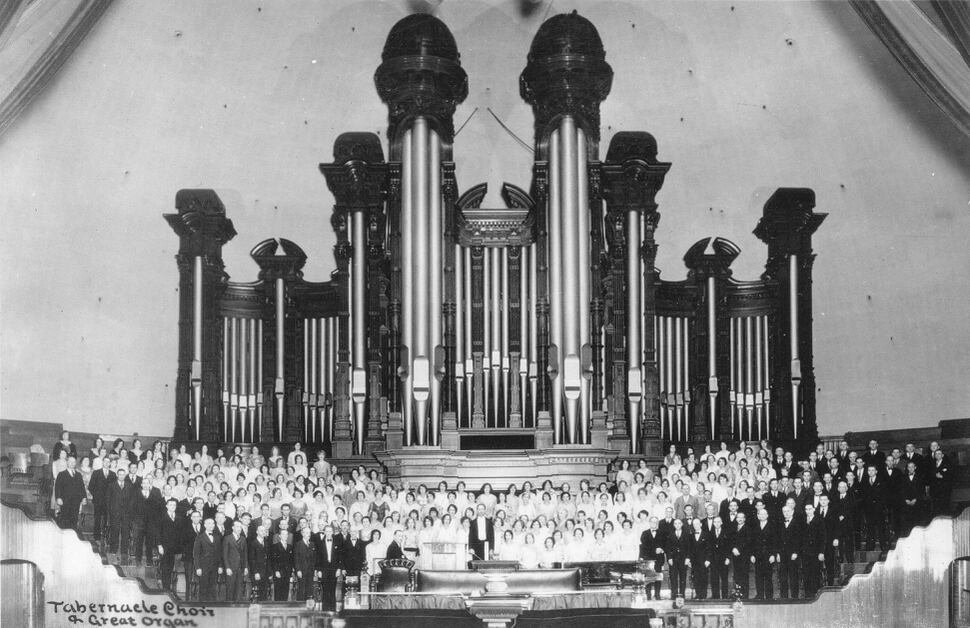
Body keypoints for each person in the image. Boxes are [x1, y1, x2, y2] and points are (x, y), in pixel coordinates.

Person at [53, 454, 86, 531]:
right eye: (70, 462)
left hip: (76, 501)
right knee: (64, 519)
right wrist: (58, 498)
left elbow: (82, 487)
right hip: (65, 501)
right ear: (67, 462)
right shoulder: (61, 474)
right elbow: (57, 487)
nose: (72, 463)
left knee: (74, 520)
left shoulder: (78, 475)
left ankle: (73, 535)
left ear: (75, 463)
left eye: (74, 462)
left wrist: (84, 497)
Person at [193, 517, 222, 601]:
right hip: (203, 567)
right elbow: (196, 554)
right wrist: (198, 567)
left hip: (214, 566)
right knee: (203, 587)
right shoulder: (200, 537)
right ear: (205, 525)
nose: (211, 525)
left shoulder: (217, 537)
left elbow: (219, 553)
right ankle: (202, 605)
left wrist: (220, 566)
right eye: (209, 523)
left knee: (213, 588)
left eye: (213, 523)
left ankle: (212, 605)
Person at [87, 460, 115, 546]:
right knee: (97, 519)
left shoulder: (113, 474)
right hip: (98, 501)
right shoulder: (96, 473)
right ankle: (97, 537)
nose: (106, 463)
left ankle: (106, 537)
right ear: (102, 463)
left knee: (107, 520)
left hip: (109, 502)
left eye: (108, 462)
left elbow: (114, 488)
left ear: (110, 464)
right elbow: (90, 486)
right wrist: (96, 495)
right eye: (105, 462)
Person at [801, 503, 826, 598]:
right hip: (805, 552)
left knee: (815, 573)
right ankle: (808, 595)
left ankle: (816, 594)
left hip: (816, 552)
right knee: (806, 573)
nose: (808, 511)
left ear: (813, 509)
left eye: (810, 509)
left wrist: (821, 552)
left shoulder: (819, 521)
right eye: (806, 509)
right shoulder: (803, 521)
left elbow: (822, 537)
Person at [157, 498, 182, 591]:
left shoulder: (179, 518)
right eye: (170, 505)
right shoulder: (161, 517)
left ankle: (172, 589)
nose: (172, 506)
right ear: (166, 506)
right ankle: (166, 589)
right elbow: (158, 532)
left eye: (174, 505)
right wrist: (159, 545)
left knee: (172, 568)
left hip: (175, 548)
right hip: (165, 547)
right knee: (165, 568)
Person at [106, 467, 133, 556]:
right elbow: (108, 500)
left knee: (125, 532)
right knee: (114, 531)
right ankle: (113, 550)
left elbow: (131, 500)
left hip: (126, 513)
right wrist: (110, 511)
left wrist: (129, 510)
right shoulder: (111, 485)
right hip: (115, 512)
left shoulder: (129, 485)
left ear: (125, 475)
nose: (121, 476)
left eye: (123, 475)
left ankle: (124, 551)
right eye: (120, 474)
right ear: (117, 475)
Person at [776, 505, 801, 598]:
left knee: (793, 576)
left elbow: (799, 539)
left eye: (788, 511)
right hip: (782, 554)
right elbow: (778, 539)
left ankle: (795, 597)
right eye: (784, 511)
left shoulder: (797, 523)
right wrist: (778, 553)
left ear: (792, 512)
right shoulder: (780, 523)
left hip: (792, 554)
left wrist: (796, 552)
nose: (786, 513)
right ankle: (784, 597)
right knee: (783, 577)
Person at [314, 524, 340, 610]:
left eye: (330, 531)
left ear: (332, 532)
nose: (328, 533)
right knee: (324, 590)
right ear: (324, 532)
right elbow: (317, 558)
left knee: (332, 589)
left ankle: (333, 609)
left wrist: (339, 569)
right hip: (323, 569)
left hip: (334, 569)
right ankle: (325, 610)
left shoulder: (337, 542)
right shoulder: (320, 543)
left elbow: (340, 557)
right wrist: (319, 570)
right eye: (327, 531)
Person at [663, 518, 691, 599]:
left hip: (683, 559)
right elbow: (668, 547)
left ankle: (682, 595)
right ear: (673, 525)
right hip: (673, 560)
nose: (677, 525)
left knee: (683, 577)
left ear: (682, 524)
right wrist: (669, 558)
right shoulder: (670, 534)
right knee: (673, 577)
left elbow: (689, 547)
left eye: (679, 523)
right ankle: (674, 595)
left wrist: (688, 558)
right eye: (675, 523)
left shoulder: (687, 534)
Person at [751, 509, 776, 599]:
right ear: (758, 516)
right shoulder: (755, 526)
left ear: (767, 515)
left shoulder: (772, 526)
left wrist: (773, 554)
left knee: (768, 576)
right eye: (760, 514)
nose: (762, 516)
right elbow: (752, 542)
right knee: (758, 576)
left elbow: (775, 541)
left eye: (764, 514)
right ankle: (760, 595)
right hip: (758, 555)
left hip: (768, 555)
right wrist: (752, 554)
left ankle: (769, 596)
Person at [638, 517, 665, 599]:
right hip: (648, 559)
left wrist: (662, 549)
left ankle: (657, 595)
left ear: (657, 523)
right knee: (648, 578)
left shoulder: (662, 533)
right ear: (649, 523)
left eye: (656, 522)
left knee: (658, 577)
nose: (654, 523)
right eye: (652, 522)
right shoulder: (645, 533)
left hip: (658, 559)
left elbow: (666, 544)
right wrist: (654, 550)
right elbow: (644, 546)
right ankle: (648, 595)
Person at [222, 520, 248, 601]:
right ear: (233, 527)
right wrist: (227, 567)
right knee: (230, 589)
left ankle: (238, 606)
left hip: (240, 568)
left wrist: (245, 567)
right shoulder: (227, 538)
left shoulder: (243, 539)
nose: (239, 528)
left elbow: (245, 554)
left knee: (239, 590)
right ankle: (229, 606)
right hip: (231, 568)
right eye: (237, 526)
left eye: (240, 527)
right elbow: (225, 555)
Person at [730, 512, 753, 599]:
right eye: (738, 517)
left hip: (744, 555)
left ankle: (745, 595)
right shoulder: (733, 528)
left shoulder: (748, 529)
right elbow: (730, 540)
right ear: (736, 519)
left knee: (744, 574)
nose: (740, 519)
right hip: (735, 555)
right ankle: (737, 594)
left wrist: (738, 549)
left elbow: (748, 541)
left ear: (744, 519)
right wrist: (733, 548)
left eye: (741, 517)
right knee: (736, 575)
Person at [249, 525, 272, 601]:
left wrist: (269, 573)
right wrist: (256, 572)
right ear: (257, 532)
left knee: (264, 594)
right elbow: (252, 559)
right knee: (256, 594)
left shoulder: (266, 543)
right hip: (257, 572)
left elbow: (268, 559)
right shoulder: (253, 543)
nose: (263, 532)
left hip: (265, 573)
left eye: (264, 531)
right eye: (261, 531)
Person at [271, 527, 295, 601]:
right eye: (283, 534)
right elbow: (273, 560)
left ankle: (284, 605)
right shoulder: (275, 546)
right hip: (279, 572)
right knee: (278, 591)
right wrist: (276, 571)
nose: (285, 536)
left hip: (287, 573)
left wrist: (291, 572)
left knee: (285, 591)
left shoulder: (290, 547)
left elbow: (291, 561)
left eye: (286, 534)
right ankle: (277, 606)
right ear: (280, 536)